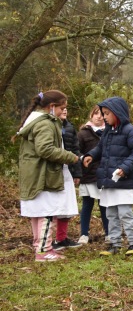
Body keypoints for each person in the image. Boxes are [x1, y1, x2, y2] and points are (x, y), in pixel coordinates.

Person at [16, 90, 80, 262]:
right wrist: (70, 157)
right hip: (43, 174)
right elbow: (45, 149)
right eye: (62, 108)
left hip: (36, 173)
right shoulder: (44, 123)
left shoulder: (35, 120)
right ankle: (45, 250)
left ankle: (40, 248)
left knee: (38, 212)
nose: (63, 111)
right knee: (48, 212)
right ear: (52, 107)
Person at [83, 97, 133, 256]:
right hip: (108, 182)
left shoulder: (130, 131)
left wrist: (125, 168)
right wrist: (91, 155)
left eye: (106, 114)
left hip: (124, 182)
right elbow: (100, 148)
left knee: (126, 213)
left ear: (117, 113)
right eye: (103, 114)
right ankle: (114, 244)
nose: (104, 117)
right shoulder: (107, 132)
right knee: (111, 214)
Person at [51, 106, 83, 250]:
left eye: (66, 108)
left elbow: (75, 150)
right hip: (52, 171)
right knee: (51, 206)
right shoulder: (48, 126)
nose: (64, 111)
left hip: (67, 170)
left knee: (66, 204)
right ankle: (47, 240)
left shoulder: (69, 127)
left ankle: (61, 238)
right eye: (61, 108)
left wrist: (77, 172)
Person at [77, 105, 108, 244]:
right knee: (87, 205)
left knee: (105, 205)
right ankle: (84, 234)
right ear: (91, 115)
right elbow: (77, 153)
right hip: (88, 175)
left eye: (102, 114)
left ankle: (109, 233)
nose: (99, 116)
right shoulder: (83, 133)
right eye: (96, 113)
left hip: (104, 175)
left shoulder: (109, 132)